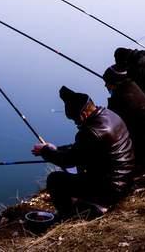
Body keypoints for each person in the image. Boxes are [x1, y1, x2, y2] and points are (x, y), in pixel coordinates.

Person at [32, 86, 135, 219]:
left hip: (111, 190)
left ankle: (67, 216)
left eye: (75, 119)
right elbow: (81, 150)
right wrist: (56, 149)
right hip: (126, 180)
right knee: (80, 167)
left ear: (83, 114)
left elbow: (68, 161)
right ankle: (88, 202)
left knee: (55, 179)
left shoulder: (91, 132)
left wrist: (45, 151)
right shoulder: (109, 115)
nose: (76, 123)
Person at [103, 65, 145, 166]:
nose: (106, 86)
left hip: (144, 144)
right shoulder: (133, 86)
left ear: (115, 83)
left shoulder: (120, 99)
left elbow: (110, 123)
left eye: (107, 83)